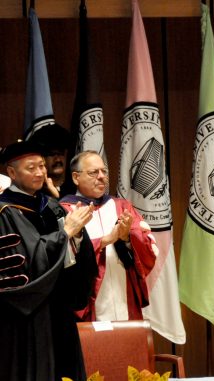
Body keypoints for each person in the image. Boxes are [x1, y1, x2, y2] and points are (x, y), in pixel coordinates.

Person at [0, 140, 97, 381]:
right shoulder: (4, 212)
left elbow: (74, 254)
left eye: (42, 166)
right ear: (12, 173)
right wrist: (65, 233)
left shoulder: (52, 206)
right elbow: (28, 261)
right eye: (30, 167)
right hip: (27, 317)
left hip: (59, 310)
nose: (40, 172)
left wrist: (77, 236)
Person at [60, 151, 157, 321]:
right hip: (89, 302)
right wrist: (106, 240)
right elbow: (62, 258)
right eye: (93, 172)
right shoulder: (66, 211)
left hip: (123, 292)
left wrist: (127, 238)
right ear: (76, 177)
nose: (101, 177)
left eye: (104, 171)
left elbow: (147, 250)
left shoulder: (121, 206)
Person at [28, 123, 73, 197]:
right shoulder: (34, 193)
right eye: (51, 154)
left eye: (60, 153)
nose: (58, 159)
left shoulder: (76, 188)